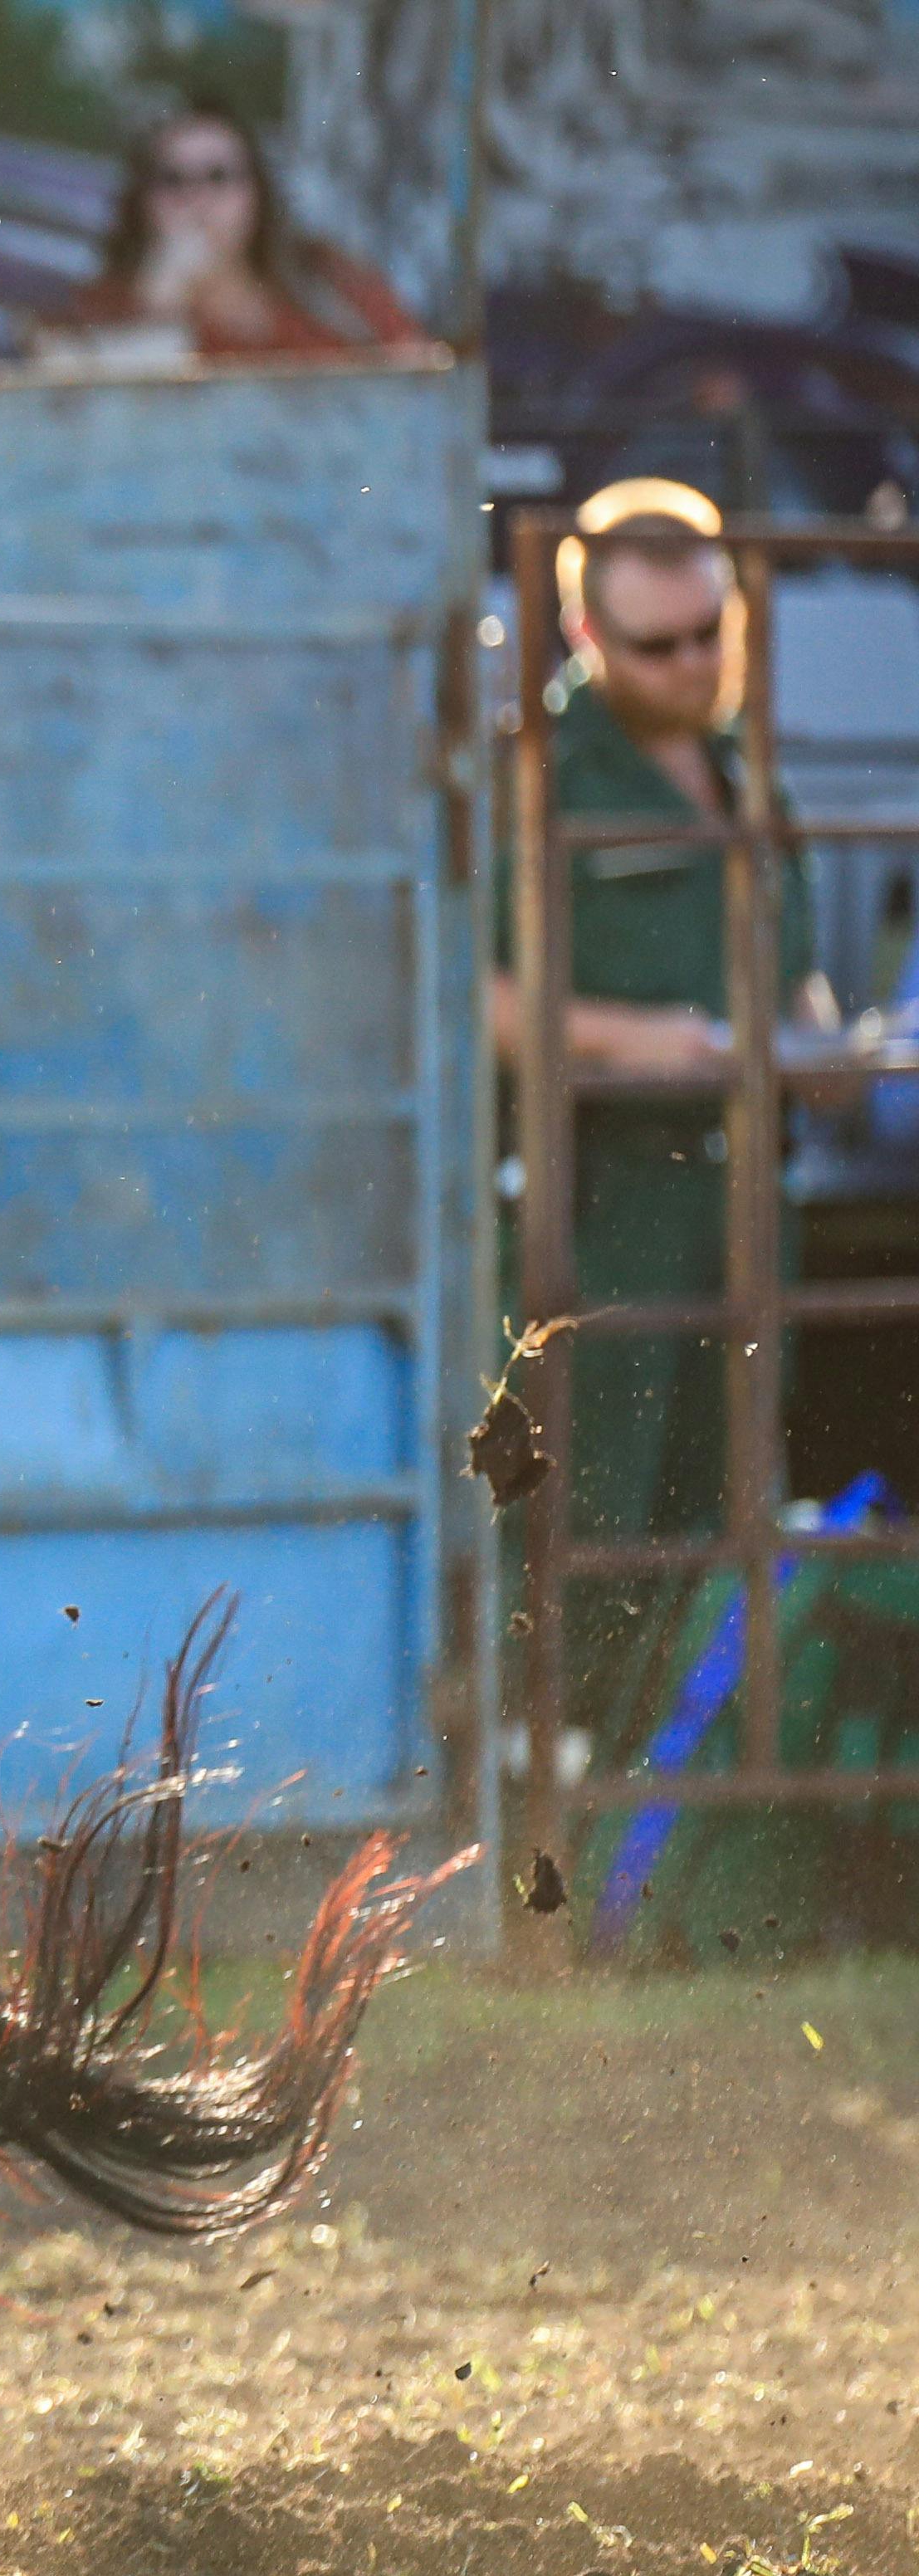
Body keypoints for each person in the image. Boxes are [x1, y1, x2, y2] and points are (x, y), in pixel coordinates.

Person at [488, 491, 843, 1709]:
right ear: (586, 634)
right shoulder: (538, 772)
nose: (694, 663)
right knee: (587, 1528)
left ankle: (683, 1791)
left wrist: (825, 1044)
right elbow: (467, 992)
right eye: (659, 645)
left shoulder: (747, 767)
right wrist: (642, 1039)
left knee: (726, 1517)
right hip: (600, 1211)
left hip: (742, 1210)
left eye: (711, 632)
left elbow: (785, 960)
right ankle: (557, 1780)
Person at [48, 105, 422, 364]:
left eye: (219, 176)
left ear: (257, 192)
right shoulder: (107, 308)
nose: (197, 199)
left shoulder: (329, 283)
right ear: (143, 202)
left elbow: (417, 380)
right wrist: (159, 307)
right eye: (172, 180)